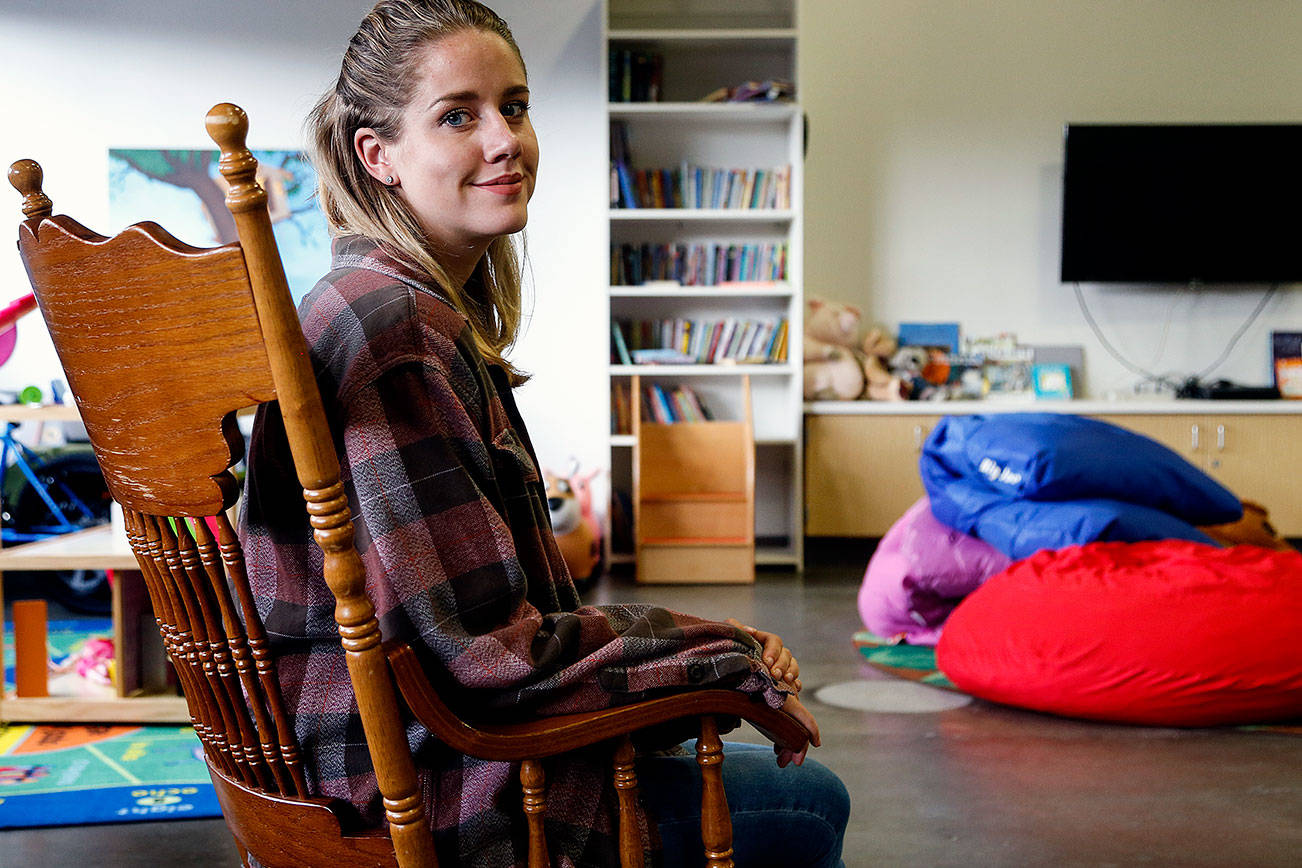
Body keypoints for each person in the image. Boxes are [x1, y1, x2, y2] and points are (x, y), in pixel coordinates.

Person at [239, 1, 849, 865]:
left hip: (354, 758)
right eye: (459, 115)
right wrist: (727, 653)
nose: (504, 141)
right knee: (810, 804)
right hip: (427, 785)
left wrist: (706, 646)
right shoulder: (396, 332)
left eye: (514, 107)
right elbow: (491, 662)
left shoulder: (362, 298)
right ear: (378, 157)